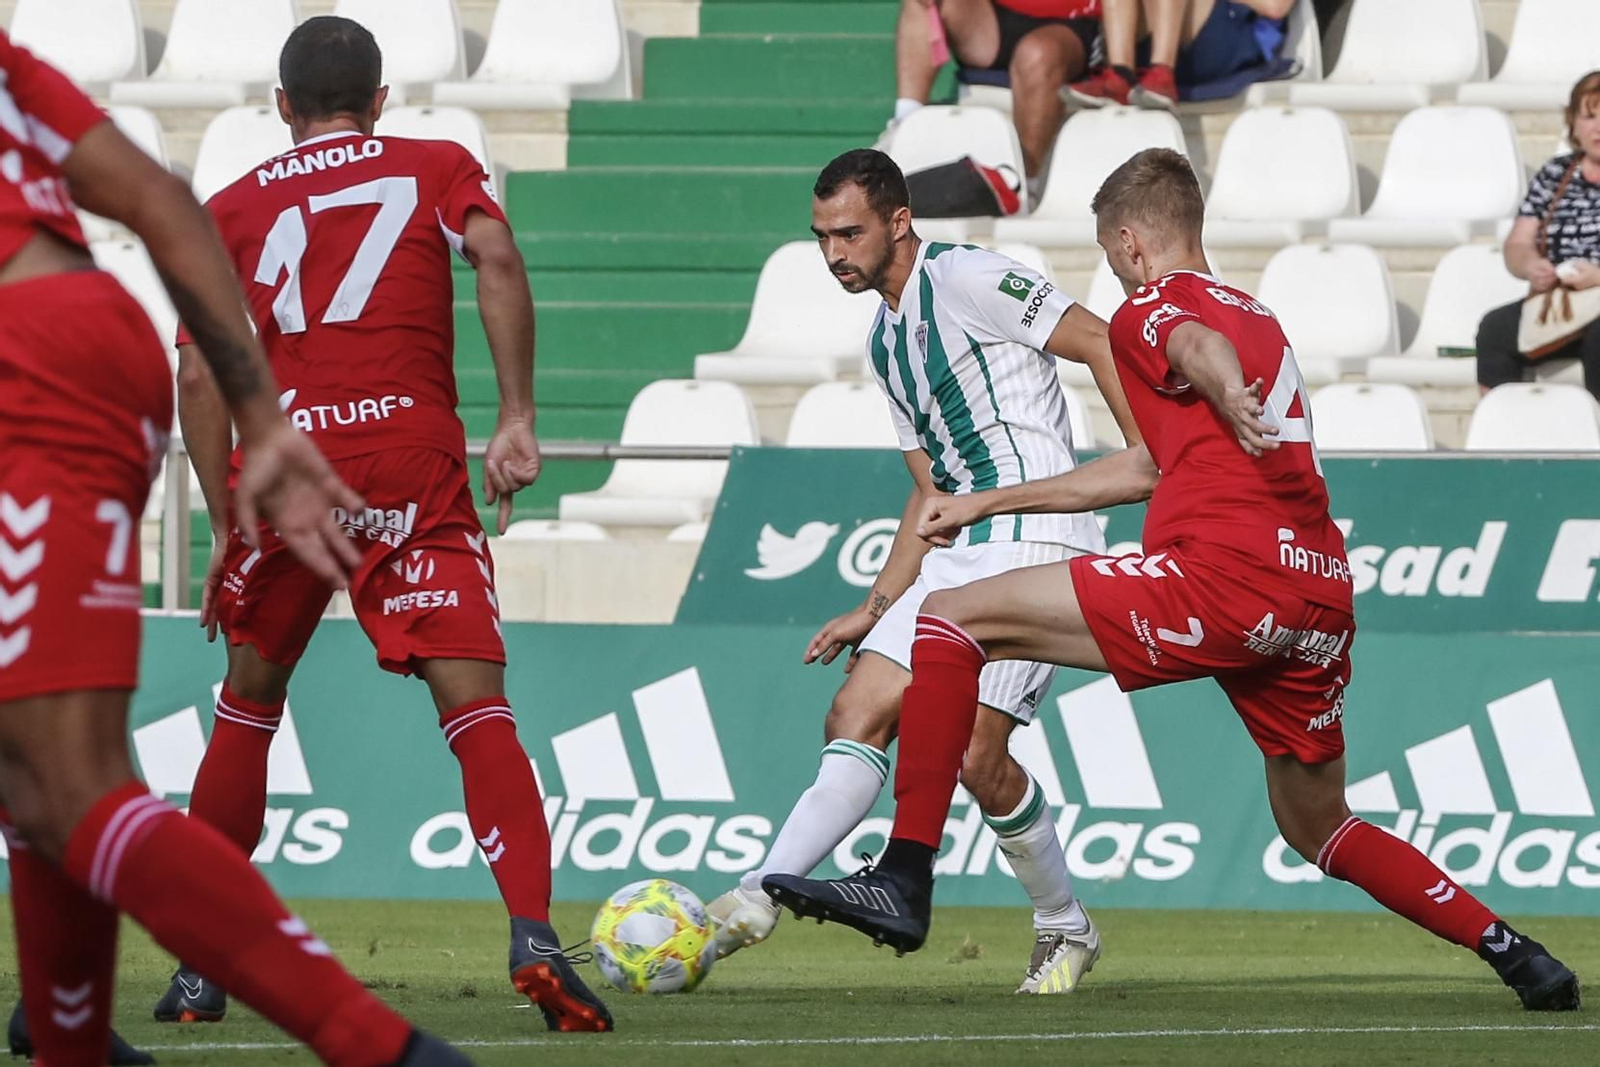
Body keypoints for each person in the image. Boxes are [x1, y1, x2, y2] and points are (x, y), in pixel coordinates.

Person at [762, 148, 1581, 1014]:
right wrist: (991, 502)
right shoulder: (1261, 313)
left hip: (1217, 577)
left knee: (951, 618)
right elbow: (1147, 466)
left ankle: (904, 871)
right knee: (1319, 823)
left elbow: (1193, 342)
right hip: (1315, 593)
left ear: (1131, 243)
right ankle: (1513, 950)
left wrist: (1223, 386)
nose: (1116, 277)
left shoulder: (1152, 305)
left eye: (1114, 260)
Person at [0, 28, 472, 1067]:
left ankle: (381, 1046)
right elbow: (164, 200)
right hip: (92, 344)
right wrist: (259, 420)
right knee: (37, 778)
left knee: (66, 782)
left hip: (27, 371)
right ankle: (64, 1034)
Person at [147, 17, 612, 1034]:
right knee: (476, 707)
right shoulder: (434, 162)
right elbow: (494, 251)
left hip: (284, 469)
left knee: (249, 701)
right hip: (410, 459)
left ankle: (198, 968)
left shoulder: (227, 207)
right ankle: (534, 934)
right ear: (381, 98)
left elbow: (194, 366)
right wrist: (517, 417)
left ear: (281, 109)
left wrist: (224, 517)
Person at [706, 148, 1141, 995]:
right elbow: (929, 494)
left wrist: (1145, 456)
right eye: (821, 235)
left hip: (1038, 533)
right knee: (856, 705)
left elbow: (1101, 340)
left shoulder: (972, 277)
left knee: (979, 753)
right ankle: (754, 897)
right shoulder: (885, 340)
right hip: (966, 542)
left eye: (849, 232)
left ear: (899, 222)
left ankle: (1065, 926)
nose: (834, 251)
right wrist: (876, 604)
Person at [893, 0, 1100, 204]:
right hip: (998, 15)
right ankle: (903, 131)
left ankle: (1027, 188)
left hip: (1075, 20)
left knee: (1037, 54)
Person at [1477, 71, 1600, 402]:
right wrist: (1532, 266)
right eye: (1589, 116)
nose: (1598, 127)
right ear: (1573, 122)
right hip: (1562, 301)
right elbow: (1518, 243)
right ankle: (1503, 432)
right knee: (1496, 328)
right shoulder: (1555, 174)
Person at [1067, 0, 1292, 109]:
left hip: (1223, 45)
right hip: (1142, 51)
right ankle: (1119, 74)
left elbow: (1275, 6)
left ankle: (1160, 72)